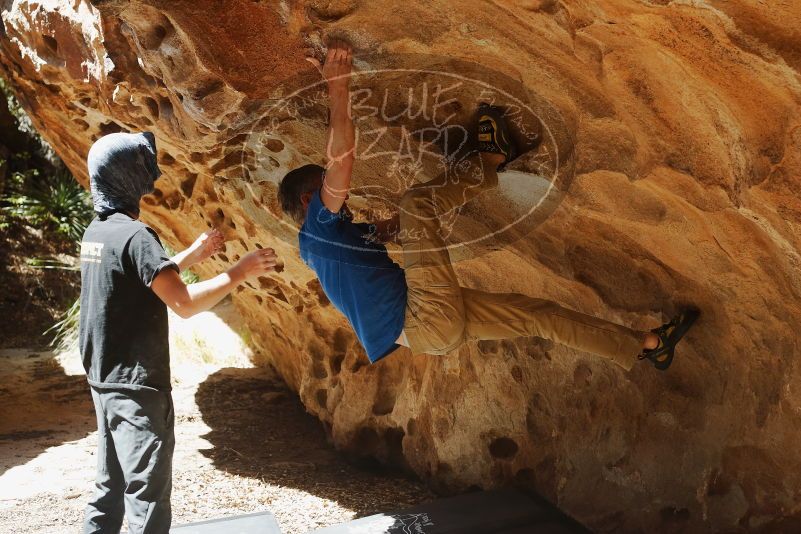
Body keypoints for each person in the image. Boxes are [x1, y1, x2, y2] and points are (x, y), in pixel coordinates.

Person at [278, 41, 699, 373]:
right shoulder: (318, 226)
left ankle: (650, 346)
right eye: (326, 188)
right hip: (422, 318)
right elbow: (343, 160)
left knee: (540, 316)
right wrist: (338, 84)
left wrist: (399, 223)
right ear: (307, 199)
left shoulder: (332, 244)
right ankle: (491, 159)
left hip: (430, 332)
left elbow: (389, 232)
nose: (341, 194)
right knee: (417, 203)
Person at [79, 132, 277, 534]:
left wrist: (192, 254)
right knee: (146, 499)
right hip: (137, 388)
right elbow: (183, 303)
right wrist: (240, 271)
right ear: (130, 176)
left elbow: (142, 276)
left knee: (110, 489)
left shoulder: (98, 233)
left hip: (105, 380)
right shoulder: (137, 236)